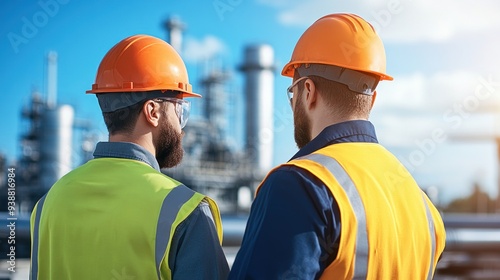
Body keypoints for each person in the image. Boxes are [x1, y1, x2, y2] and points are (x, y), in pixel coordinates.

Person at [229, 13, 446, 279]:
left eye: (292, 93)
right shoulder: (423, 206)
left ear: (308, 92)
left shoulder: (300, 185)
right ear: (372, 99)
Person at [30, 34, 229, 279]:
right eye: (180, 110)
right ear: (153, 111)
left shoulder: (47, 204)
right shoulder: (186, 212)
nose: (182, 127)